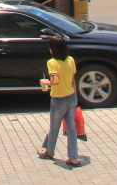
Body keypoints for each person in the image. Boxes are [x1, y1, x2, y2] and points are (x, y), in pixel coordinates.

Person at [38, 35, 81, 167]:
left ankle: (50, 152)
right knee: (71, 128)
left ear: (53, 49)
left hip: (58, 99)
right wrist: (75, 97)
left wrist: (46, 82)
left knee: (54, 126)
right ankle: (73, 158)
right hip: (71, 97)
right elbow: (73, 80)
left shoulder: (52, 62)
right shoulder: (70, 60)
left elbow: (56, 82)